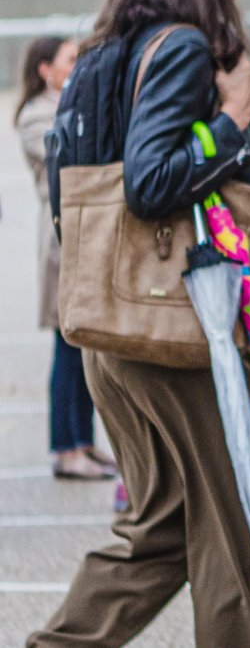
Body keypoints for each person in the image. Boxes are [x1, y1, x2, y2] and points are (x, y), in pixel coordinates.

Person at [27, 0, 250, 645]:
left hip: (112, 334)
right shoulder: (182, 50)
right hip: (186, 335)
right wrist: (232, 121)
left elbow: (65, 193)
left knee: (162, 531)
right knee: (238, 539)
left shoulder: (103, 55)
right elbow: (150, 181)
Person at [14, 37, 119, 481]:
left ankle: (84, 442)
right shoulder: (35, 115)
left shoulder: (65, 106)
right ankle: (64, 448)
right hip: (60, 240)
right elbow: (70, 153)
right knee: (66, 347)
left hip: (85, 234)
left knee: (86, 349)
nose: (77, 68)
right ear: (44, 69)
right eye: (70, 60)